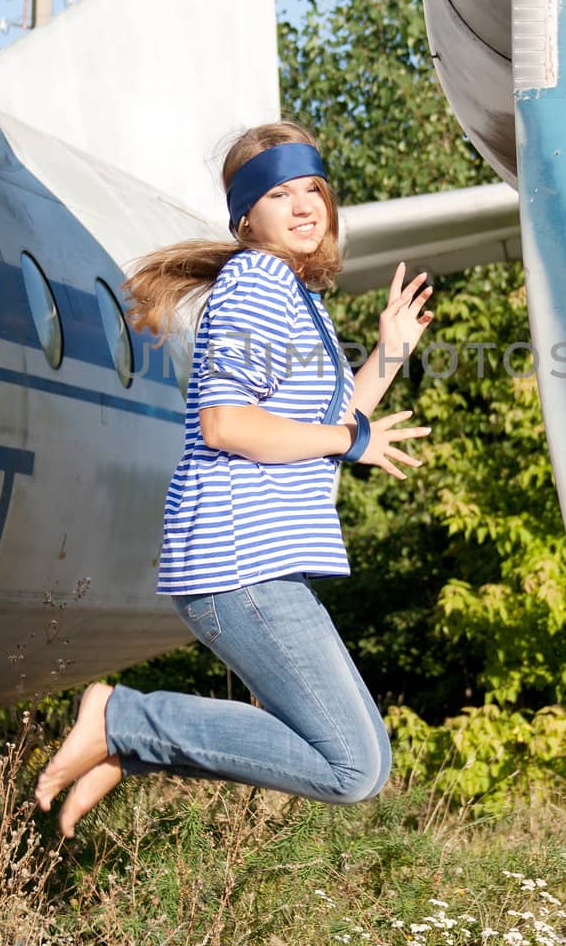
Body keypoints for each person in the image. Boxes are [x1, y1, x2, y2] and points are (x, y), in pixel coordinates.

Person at [35, 121, 434, 836]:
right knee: (353, 766)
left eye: (314, 188)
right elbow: (227, 423)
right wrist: (351, 441)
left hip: (255, 560)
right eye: (280, 193)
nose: (305, 205)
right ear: (247, 215)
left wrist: (388, 355)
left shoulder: (292, 295)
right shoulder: (254, 286)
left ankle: (129, 739)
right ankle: (124, 721)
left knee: (358, 763)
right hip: (242, 559)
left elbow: (322, 424)